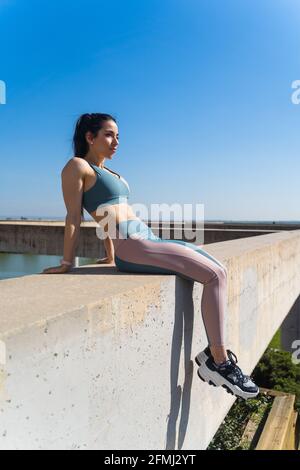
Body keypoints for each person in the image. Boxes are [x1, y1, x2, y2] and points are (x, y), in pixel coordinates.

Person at [42, 113, 259, 400]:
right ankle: (218, 362)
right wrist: (67, 263)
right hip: (134, 246)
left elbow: (107, 217)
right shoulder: (77, 166)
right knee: (214, 275)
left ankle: (216, 358)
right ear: (89, 137)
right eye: (109, 134)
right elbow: (73, 217)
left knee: (217, 267)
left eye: (118, 135)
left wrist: (108, 256)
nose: (116, 141)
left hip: (146, 240)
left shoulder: (110, 173)